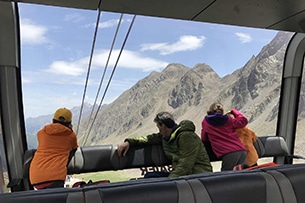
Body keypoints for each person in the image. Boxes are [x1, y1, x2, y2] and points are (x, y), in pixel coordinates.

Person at [117, 111, 212, 178]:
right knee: (149, 176)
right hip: (182, 175)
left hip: (198, 175)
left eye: (159, 128)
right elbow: (148, 139)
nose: (159, 131)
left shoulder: (186, 136)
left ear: (163, 125)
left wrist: (170, 183)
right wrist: (129, 142)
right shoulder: (165, 136)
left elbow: (185, 165)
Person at [29, 107, 78, 189]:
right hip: (55, 177)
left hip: (35, 177)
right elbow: (74, 147)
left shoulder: (41, 133)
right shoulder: (71, 136)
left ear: (53, 120)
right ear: (69, 122)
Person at [201, 102, 248, 171]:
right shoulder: (228, 119)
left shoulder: (206, 122)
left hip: (228, 154)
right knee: (240, 177)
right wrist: (234, 112)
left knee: (226, 177)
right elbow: (243, 121)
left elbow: (204, 138)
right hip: (241, 151)